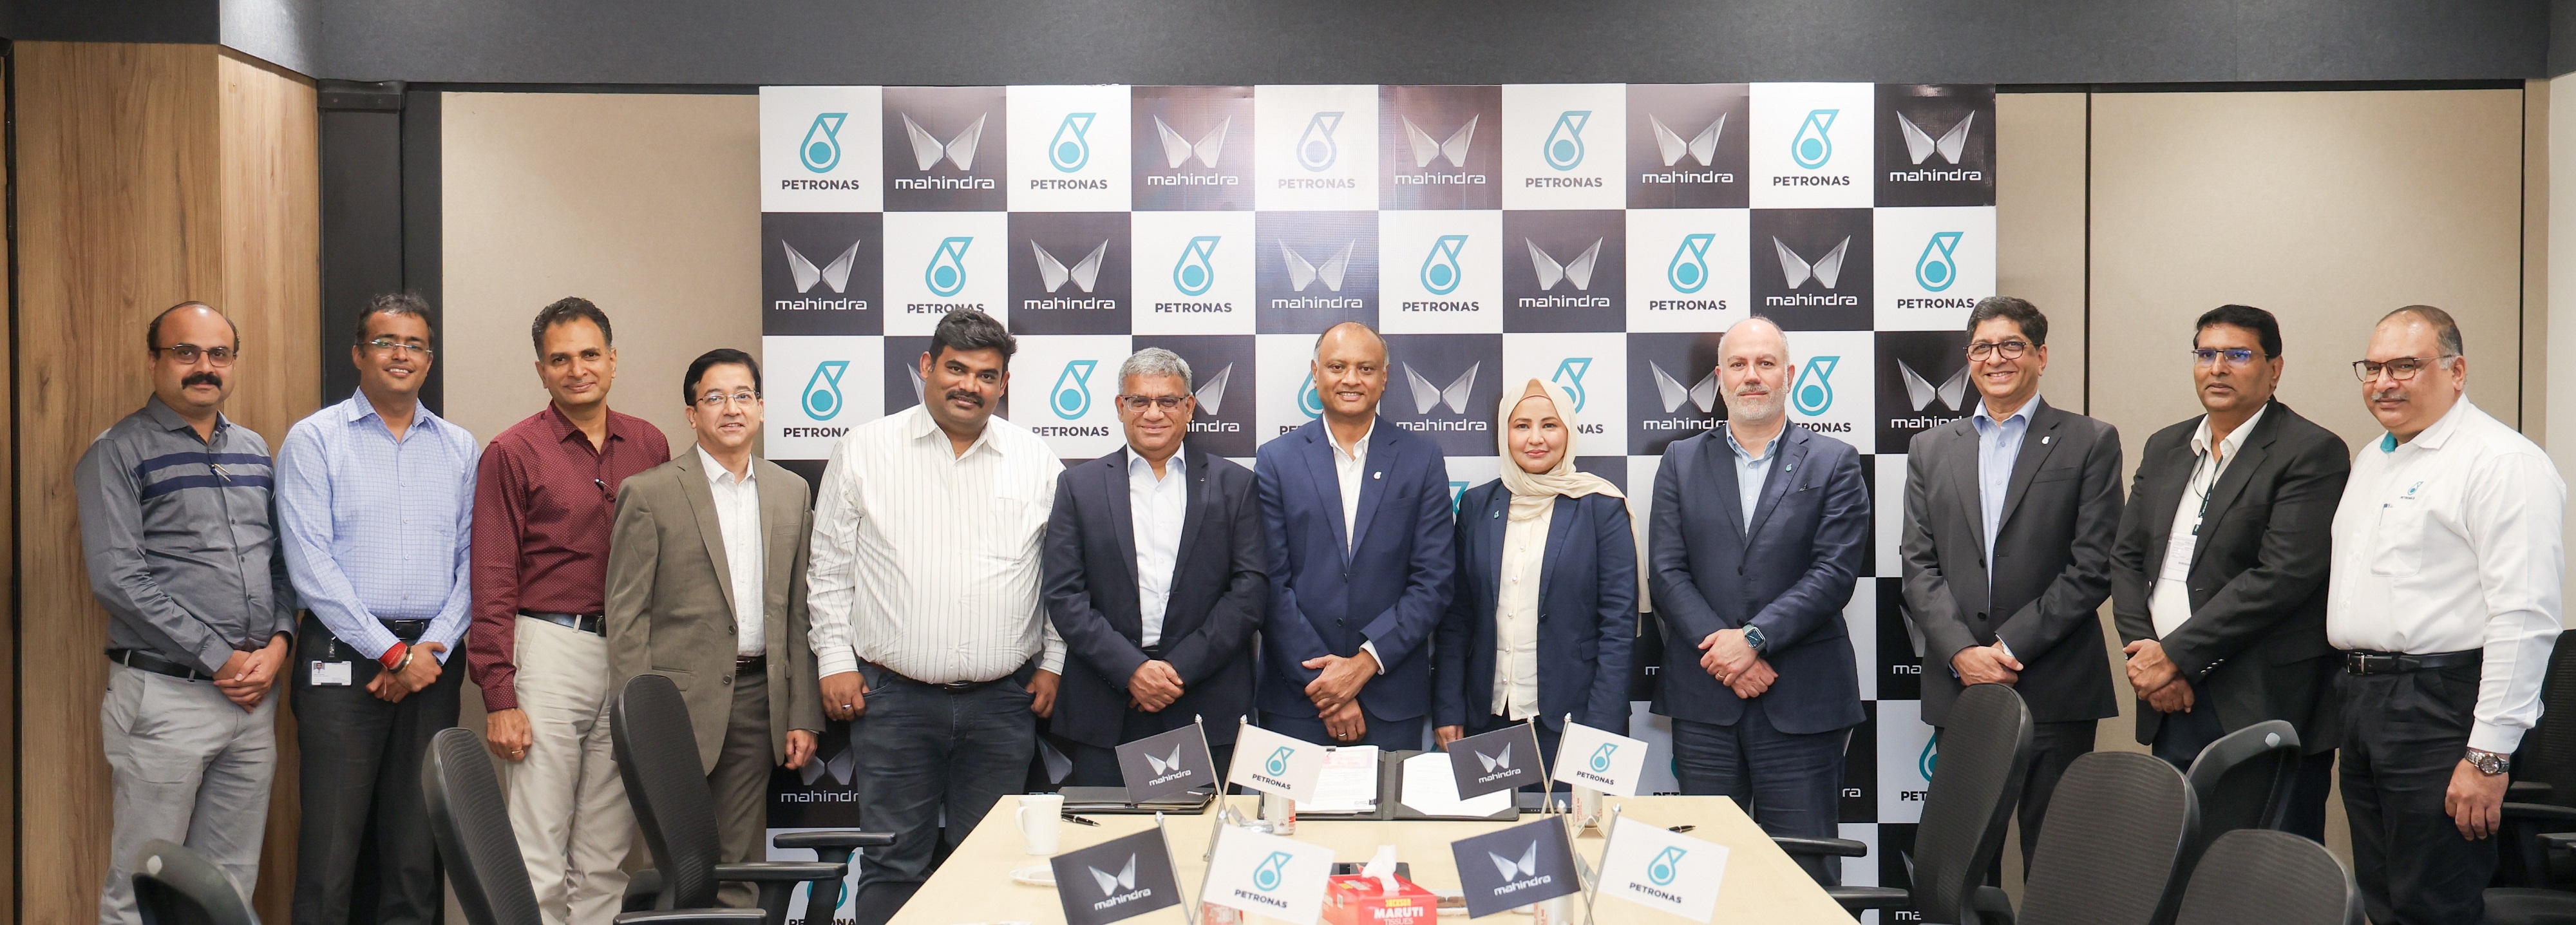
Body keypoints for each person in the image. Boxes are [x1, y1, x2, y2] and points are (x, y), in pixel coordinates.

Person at [806, 309, 1065, 925]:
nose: (968, 386)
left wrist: (1053, 663)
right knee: (893, 865)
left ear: (1003, 385)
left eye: (986, 375)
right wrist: (836, 661)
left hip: (1003, 704)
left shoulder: (1036, 460)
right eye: (955, 368)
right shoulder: (865, 449)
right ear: (927, 366)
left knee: (993, 864)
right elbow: (830, 570)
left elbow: (1061, 577)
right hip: (891, 701)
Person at [2329, 305, 2564, 925]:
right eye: (2373, 367)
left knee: (2434, 904)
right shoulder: (2373, 457)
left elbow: (2525, 615)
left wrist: (2489, 756)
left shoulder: (2501, 462)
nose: (2385, 381)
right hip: (2362, 700)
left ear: (2457, 372)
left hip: (2440, 705)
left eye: (2406, 365)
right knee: (2380, 899)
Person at [80, 301, 298, 924]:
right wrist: (222, 656)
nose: (205, 367)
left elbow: (281, 563)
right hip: (165, 697)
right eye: (186, 352)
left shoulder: (255, 450)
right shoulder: (117, 452)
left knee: (227, 886)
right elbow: (118, 578)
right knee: (141, 885)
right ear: (155, 360)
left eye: (219, 353)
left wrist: (278, 644)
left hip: (252, 701)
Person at [1642, 318, 1868, 886]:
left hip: (1801, 700)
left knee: (1804, 878)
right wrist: (1727, 651)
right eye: (1739, 365)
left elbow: (1836, 573)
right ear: (1719, 378)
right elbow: (1667, 573)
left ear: (1789, 375)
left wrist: (1753, 640)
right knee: (1700, 879)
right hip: (1706, 699)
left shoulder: (1835, 461)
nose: (1752, 377)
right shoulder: (1680, 460)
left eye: (1765, 364)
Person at [1899, 296, 2121, 873]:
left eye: (2012, 345)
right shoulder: (1930, 447)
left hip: (2055, 683)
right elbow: (1918, 566)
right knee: (1966, 863)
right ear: (1969, 359)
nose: (1995, 359)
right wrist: (1963, 654)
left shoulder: (2090, 441)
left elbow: (2094, 564)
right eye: (1982, 348)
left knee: (2056, 861)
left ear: (2041, 356)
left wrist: (2007, 648)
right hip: (1963, 687)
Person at [276, 293, 479, 924]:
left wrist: (431, 649)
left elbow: (477, 561)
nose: (401, 354)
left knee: (418, 852)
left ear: (429, 358)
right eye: (387, 342)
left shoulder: (459, 446)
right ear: (359, 353)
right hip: (342, 661)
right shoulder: (314, 440)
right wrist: (391, 651)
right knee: (330, 853)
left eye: (415, 344)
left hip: (434, 663)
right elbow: (310, 567)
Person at [467, 298, 671, 925]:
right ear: (541, 369)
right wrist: (499, 696)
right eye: (560, 359)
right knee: (538, 851)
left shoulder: (648, 441)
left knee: (608, 853)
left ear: (612, 360)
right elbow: (493, 575)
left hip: (628, 656)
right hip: (549, 651)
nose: (576, 369)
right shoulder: (512, 450)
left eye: (589, 354)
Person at [2108, 304, 2345, 840]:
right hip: (2170, 697)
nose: (2218, 368)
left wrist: (2175, 656)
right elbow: (2125, 559)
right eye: (2206, 354)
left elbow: (2281, 577)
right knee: (2180, 864)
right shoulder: (2166, 446)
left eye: (2237, 355)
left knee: (2264, 874)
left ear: (2274, 368)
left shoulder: (2310, 452)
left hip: (2260, 700)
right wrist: (2147, 655)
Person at [607, 348, 822, 907]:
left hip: (759, 704)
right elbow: (628, 618)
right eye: (715, 398)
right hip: (674, 709)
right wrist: (639, 723)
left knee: (741, 871)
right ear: (691, 412)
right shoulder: (650, 493)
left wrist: (801, 712)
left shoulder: (790, 492)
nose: (732, 409)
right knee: (677, 873)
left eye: (744, 395)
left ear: (762, 408)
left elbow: (799, 612)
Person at [1043, 348, 1267, 785]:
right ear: (1120, 408)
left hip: (1205, 702)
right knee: (1105, 849)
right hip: (1105, 707)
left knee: (1201, 849)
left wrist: (1177, 671)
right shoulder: (1078, 488)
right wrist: (1131, 670)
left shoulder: (1236, 485)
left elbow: (1249, 592)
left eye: (1167, 401)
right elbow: (1065, 596)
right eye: (1139, 401)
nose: (1153, 413)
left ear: (1189, 408)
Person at [1253, 321, 1456, 748]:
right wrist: (1329, 686)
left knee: (1386, 816)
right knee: (1291, 819)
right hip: (1298, 699)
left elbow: (1434, 581)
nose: (1351, 379)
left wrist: (1365, 663)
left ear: (1385, 377)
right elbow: (1270, 583)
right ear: (1315, 374)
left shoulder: (1422, 460)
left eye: (1366, 368)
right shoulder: (1276, 461)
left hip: (1390, 697)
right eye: (1337, 366)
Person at [1433, 377, 1638, 779]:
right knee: (1488, 839)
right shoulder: (1476, 505)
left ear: (1568, 432)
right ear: (1504, 433)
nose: (1536, 438)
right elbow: (1457, 617)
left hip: (1577, 722)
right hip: (1485, 720)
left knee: (1580, 837)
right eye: (1521, 425)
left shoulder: (1601, 505)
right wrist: (1449, 708)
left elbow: (1618, 624)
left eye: (1550, 425)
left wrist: (1602, 727)